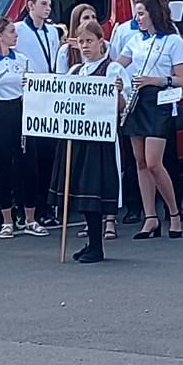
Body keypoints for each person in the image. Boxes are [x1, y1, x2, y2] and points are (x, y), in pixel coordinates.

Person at [51, 20, 129, 264]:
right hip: (77, 138)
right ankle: (91, 242)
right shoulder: (75, 72)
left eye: (89, 41)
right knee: (81, 190)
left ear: (100, 42)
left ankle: (97, 246)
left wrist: (116, 92)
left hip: (100, 140)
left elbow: (122, 108)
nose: (85, 46)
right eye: (81, 41)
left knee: (93, 189)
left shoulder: (112, 70)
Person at [118, 0, 183, 239]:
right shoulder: (135, 40)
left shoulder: (173, 41)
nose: (137, 18)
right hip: (138, 101)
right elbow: (118, 64)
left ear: (153, 14)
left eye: (141, 13)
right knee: (139, 161)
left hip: (159, 100)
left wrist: (156, 80)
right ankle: (150, 217)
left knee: (154, 161)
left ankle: (173, 212)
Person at [0, 17, 44, 239]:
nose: (16, 35)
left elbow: (31, 86)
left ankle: (30, 218)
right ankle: (7, 220)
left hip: (20, 110)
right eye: (12, 32)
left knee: (28, 165)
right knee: (3, 166)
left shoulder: (21, 59)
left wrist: (29, 86)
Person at [14, 0, 61, 227]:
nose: (47, 8)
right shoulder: (19, 31)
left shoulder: (52, 31)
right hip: (30, 95)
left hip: (49, 95)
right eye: (43, 3)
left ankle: (45, 205)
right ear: (30, 5)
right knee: (28, 156)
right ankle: (25, 206)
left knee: (47, 155)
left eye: (49, 4)